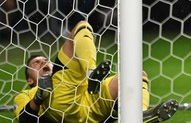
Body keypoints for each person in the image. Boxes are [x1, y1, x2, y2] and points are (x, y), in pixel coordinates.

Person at [13, 20, 178, 122]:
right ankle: (91, 74)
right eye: (36, 63)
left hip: (91, 102)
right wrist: (39, 96)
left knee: (136, 76)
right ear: (29, 80)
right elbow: (25, 120)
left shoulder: (59, 73)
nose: (43, 61)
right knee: (78, 27)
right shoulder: (24, 96)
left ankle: (139, 115)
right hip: (60, 104)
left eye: (45, 59)